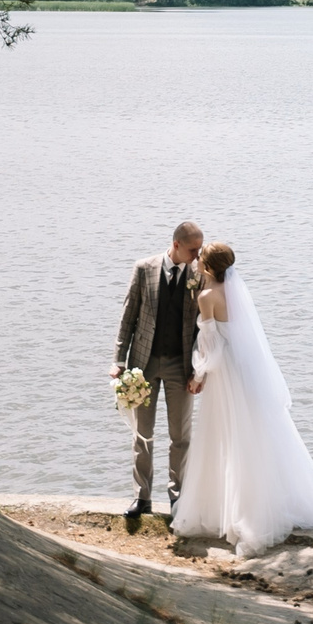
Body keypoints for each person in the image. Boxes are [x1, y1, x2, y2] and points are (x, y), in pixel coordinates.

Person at [171, 242, 313, 555]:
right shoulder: (235, 293)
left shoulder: (207, 297)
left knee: (226, 437)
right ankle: (267, 502)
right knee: (256, 435)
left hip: (225, 376)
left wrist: (198, 376)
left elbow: (211, 346)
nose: (195, 263)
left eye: (200, 260)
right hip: (246, 371)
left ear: (208, 267)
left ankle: (235, 513)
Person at [114, 220, 204, 519]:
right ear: (176, 244)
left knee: (181, 436)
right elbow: (128, 315)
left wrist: (199, 371)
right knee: (143, 434)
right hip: (144, 363)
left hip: (182, 366)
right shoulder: (144, 268)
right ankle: (142, 498)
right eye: (193, 248)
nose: (198, 254)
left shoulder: (199, 274)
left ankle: (178, 497)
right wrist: (119, 360)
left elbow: (206, 328)